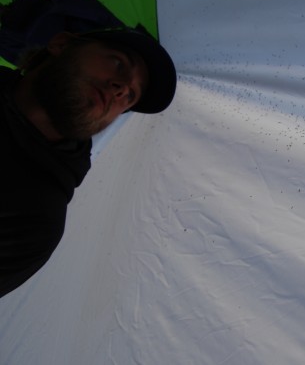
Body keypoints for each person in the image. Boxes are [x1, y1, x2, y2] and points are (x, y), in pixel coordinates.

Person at [0, 26, 176, 298]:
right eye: (118, 63)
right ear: (61, 43)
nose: (121, 88)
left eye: (130, 96)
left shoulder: (34, 218)